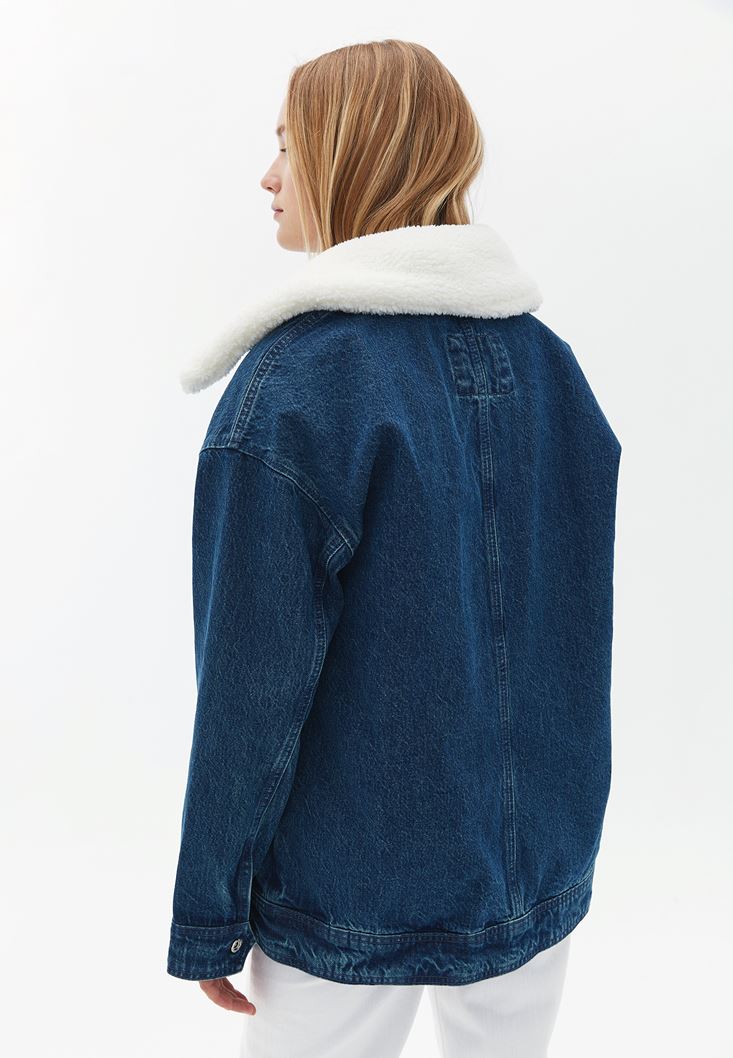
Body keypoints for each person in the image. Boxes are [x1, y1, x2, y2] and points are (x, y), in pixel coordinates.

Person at [166, 39, 622, 1058]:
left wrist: (209, 910)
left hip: (350, 888)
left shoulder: (292, 390)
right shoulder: (553, 368)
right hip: (534, 870)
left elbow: (249, 684)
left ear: (352, 154)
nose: (269, 176)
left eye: (289, 146)